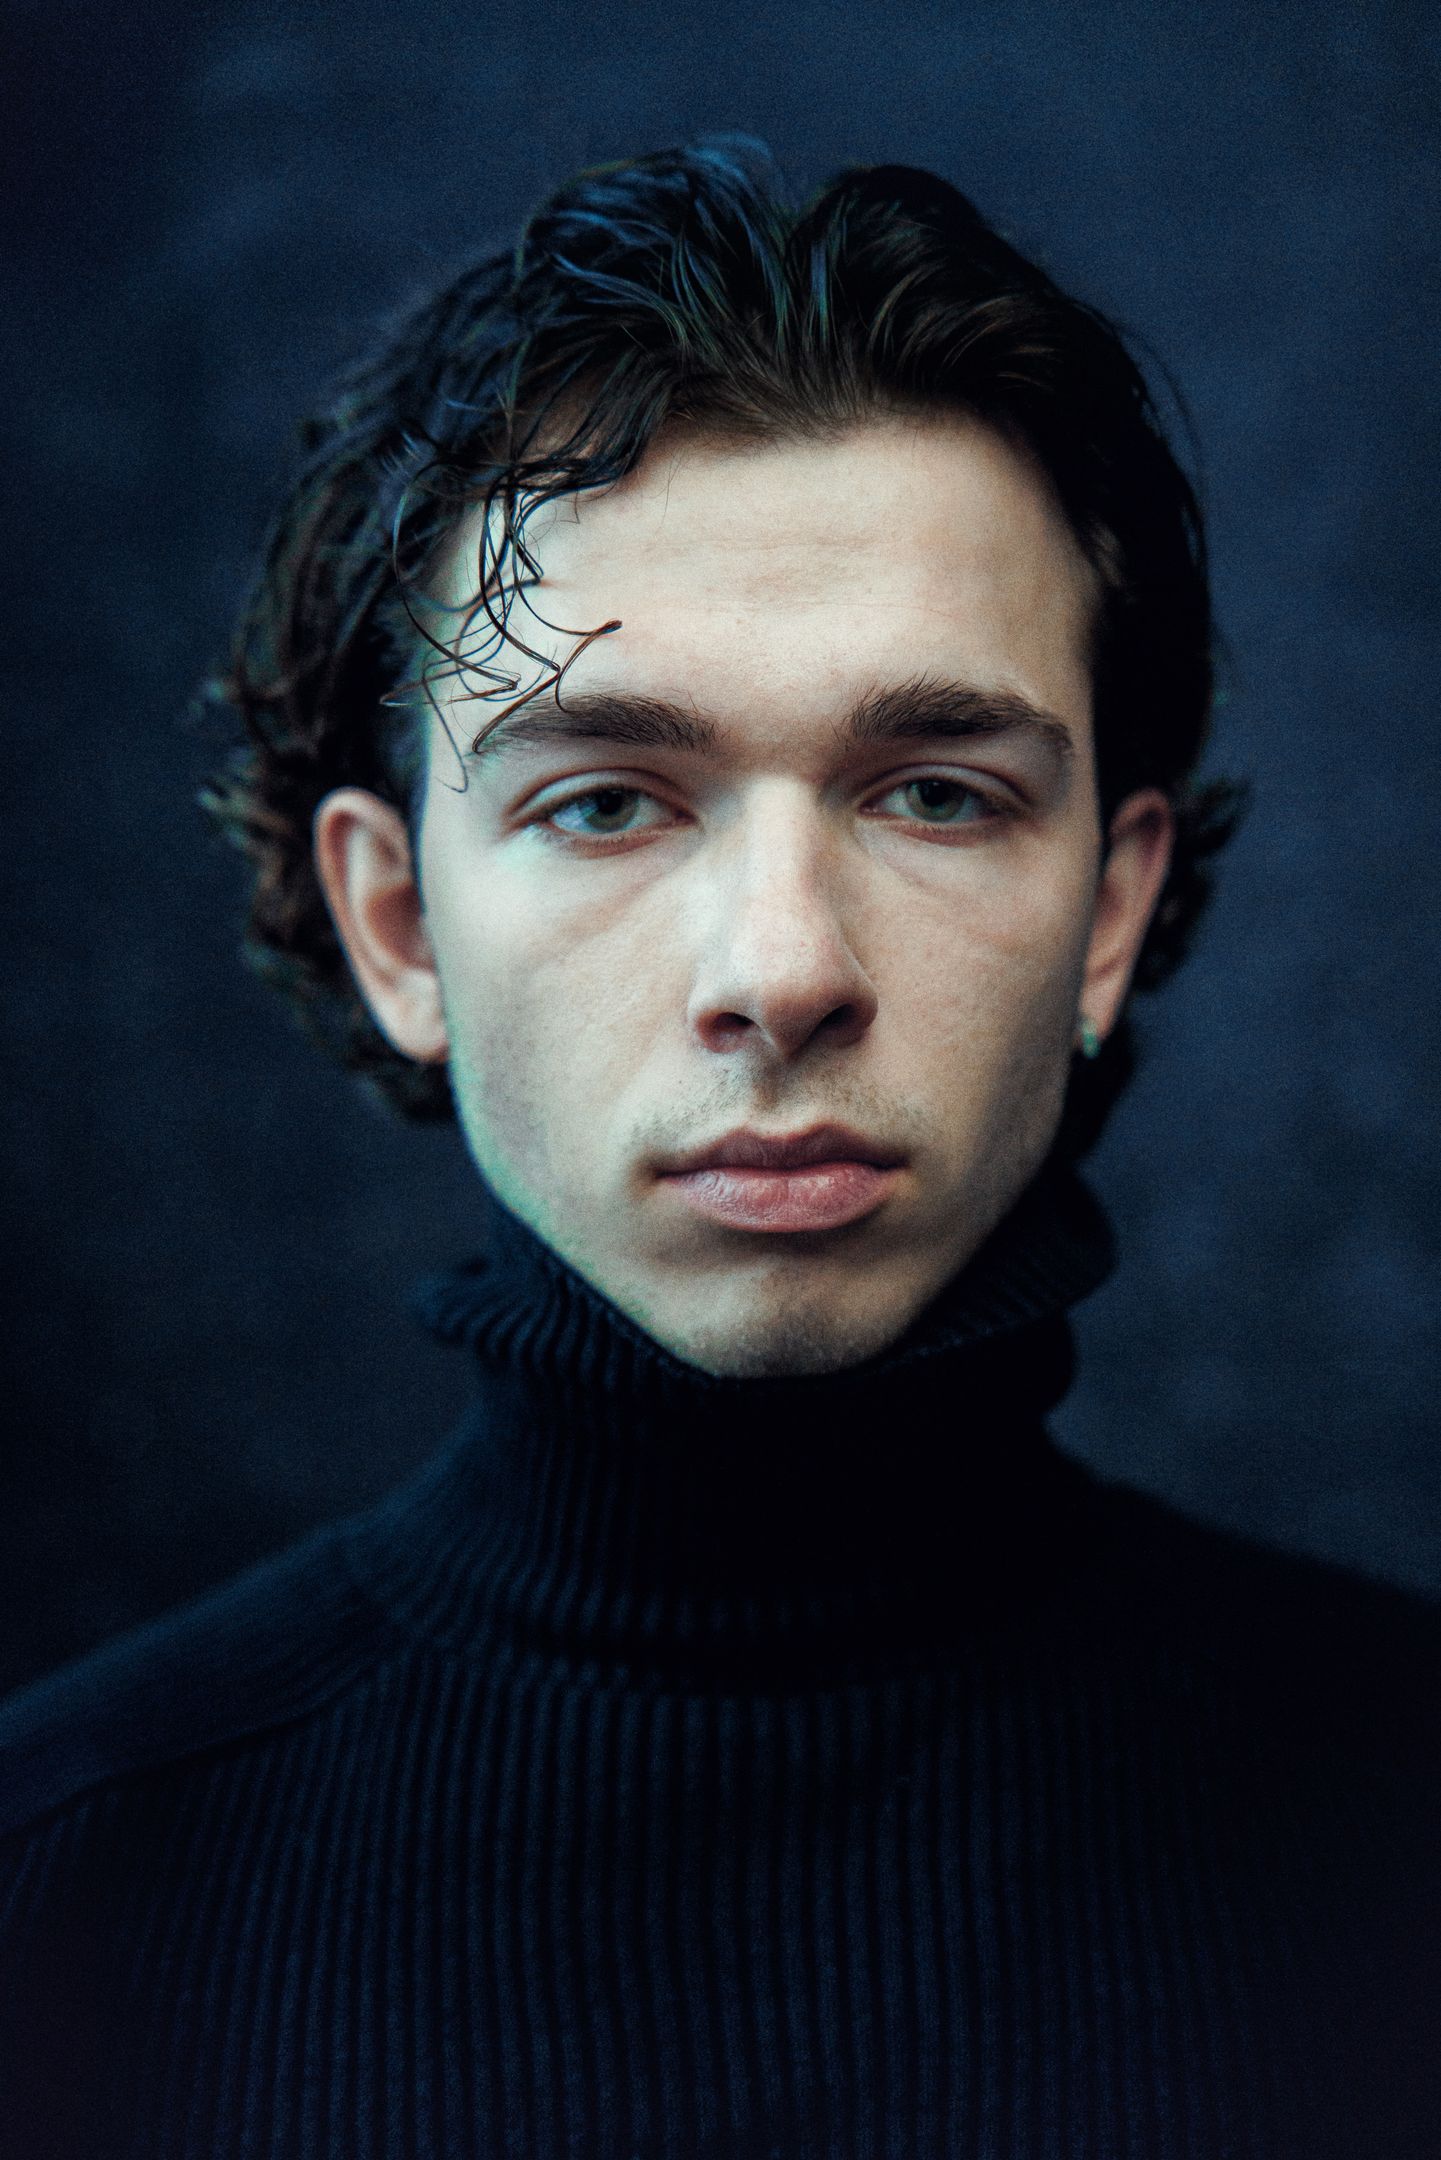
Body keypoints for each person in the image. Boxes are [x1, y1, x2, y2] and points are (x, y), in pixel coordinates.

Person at [1, 136, 1436, 2160]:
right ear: (396, 925)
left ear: (1107, 913)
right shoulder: (53, 1904)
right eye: (604, 802)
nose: (782, 972)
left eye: (934, 793)